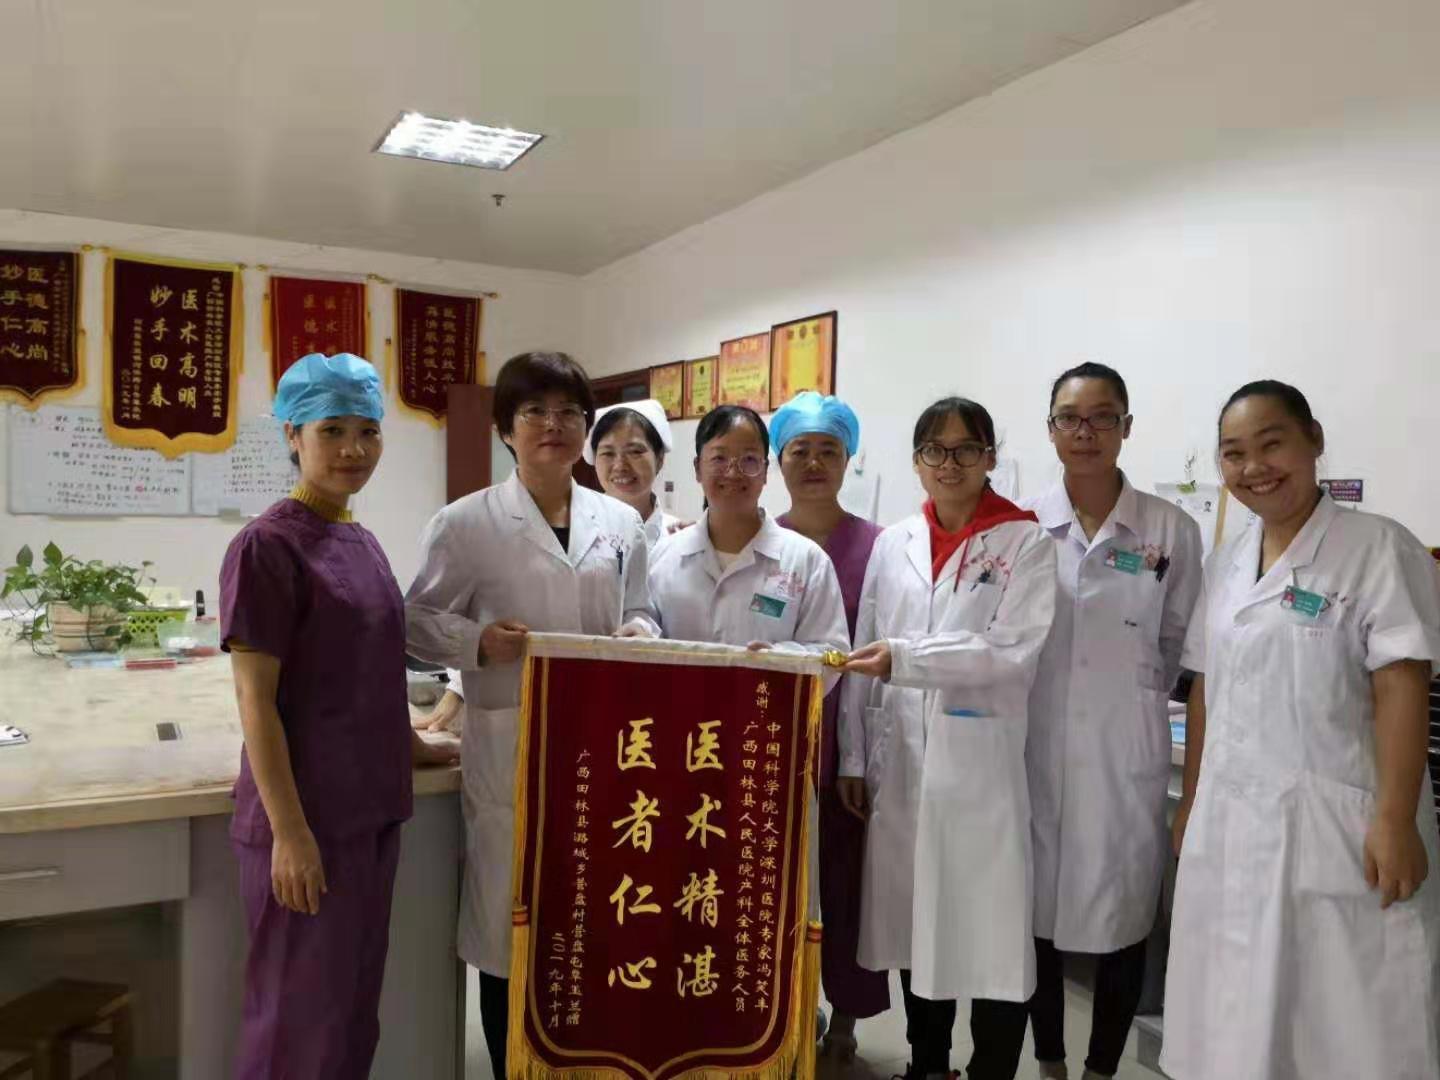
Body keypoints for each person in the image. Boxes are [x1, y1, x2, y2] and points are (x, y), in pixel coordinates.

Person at [1163, 381, 1440, 1080]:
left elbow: (1403, 684)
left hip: (1339, 825)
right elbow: (1205, 685)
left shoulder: (1377, 548)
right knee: (1234, 1020)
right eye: (1234, 453)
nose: (1254, 467)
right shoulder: (1226, 563)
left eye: (1272, 444)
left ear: (1313, 440)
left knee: (1342, 1024)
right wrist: (1192, 801)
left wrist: (1394, 819)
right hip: (1230, 823)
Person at [404, 351, 659, 1080]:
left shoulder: (621, 522)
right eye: (535, 412)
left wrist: (638, 632)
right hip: (511, 747)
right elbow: (413, 622)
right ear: (505, 429)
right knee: (508, 931)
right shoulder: (465, 523)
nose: (554, 425)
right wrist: (477, 642)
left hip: (606, 750)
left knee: (593, 921)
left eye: (570, 413)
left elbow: (643, 609)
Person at [220, 352, 458, 1080]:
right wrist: (290, 835)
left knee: (350, 1016)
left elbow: (366, 672)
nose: (354, 448)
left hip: (370, 813)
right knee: (297, 1026)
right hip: (308, 822)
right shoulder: (266, 546)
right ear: (293, 436)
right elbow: (256, 701)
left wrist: (411, 745)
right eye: (332, 430)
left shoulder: (360, 540)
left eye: (368, 430)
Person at [838, 397, 1057, 1080]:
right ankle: (927, 1063)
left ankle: (992, 1068)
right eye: (935, 449)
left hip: (980, 770)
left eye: (966, 449)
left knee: (991, 935)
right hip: (902, 764)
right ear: (917, 461)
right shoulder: (894, 542)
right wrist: (853, 756)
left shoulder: (1025, 543)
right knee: (916, 928)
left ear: (990, 457)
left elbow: (1011, 650)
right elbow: (865, 646)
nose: (950, 463)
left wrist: (908, 659)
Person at [1020, 363, 1202, 1080]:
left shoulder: (1169, 528)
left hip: (1125, 752)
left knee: (1126, 916)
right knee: (1033, 915)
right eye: (1070, 417)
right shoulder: (1022, 524)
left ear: (1127, 426)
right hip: (1032, 746)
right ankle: (1051, 1061)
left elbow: (1179, 643)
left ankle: (1101, 1069)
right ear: (1051, 430)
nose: (1085, 431)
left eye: (1102, 417)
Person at [770, 390, 890, 1059]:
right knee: (772, 883)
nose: (814, 463)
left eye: (829, 450)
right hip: (770, 742)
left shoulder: (880, 547)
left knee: (845, 882)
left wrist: (857, 757)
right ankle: (779, 1011)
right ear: (779, 460)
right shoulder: (761, 541)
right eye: (800, 450)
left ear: (849, 460)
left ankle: (844, 1017)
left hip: (848, 742)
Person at [647, 403, 849, 669]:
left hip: (768, 697)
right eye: (719, 459)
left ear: (765, 471)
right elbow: (645, 630)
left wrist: (779, 660)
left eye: (749, 460)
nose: (733, 472)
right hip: (678, 697)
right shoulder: (663, 557)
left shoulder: (807, 561)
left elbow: (833, 652)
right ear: (697, 468)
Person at [584, 398, 683, 547]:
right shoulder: (578, 534)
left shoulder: (680, 537)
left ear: (659, 459)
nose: (620, 466)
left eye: (635, 452)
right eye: (608, 453)